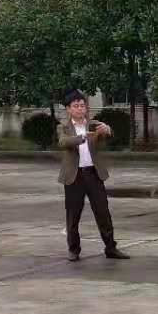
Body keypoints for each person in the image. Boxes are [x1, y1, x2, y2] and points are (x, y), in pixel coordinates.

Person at [56, 91, 129, 262]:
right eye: (76, 106)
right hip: (74, 176)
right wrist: (81, 137)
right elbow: (63, 142)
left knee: (103, 211)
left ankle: (111, 247)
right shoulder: (63, 127)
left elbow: (108, 135)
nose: (80, 109)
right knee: (73, 214)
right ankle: (74, 249)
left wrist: (108, 130)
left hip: (93, 174)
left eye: (82, 105)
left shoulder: (94, 124)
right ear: (68, 109)